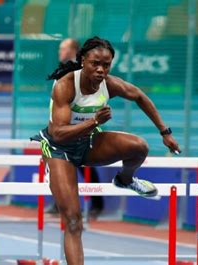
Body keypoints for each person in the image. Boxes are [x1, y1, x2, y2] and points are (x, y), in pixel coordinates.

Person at [31, 36, 181, 264]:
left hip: (88, 143)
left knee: (139, 147)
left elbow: (140, 96)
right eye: (95, 64)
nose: (101, 70)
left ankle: (125, 179)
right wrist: (93, 122)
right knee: (73, 220)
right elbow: (59, 132)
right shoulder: (65, 84)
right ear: (83, 60)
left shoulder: (109, 83)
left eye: (106, 65)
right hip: (58, 149)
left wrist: (165, 132)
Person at [45, 38, 105, 217]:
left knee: (85, 167)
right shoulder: (62, 71)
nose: (59, 52)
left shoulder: (82, 72)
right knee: (59, 167)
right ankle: (59, 203)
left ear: (73, 51)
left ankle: (96, 204)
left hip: (79, 128)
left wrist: (83, 123)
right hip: (60, 128)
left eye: (62, 48)